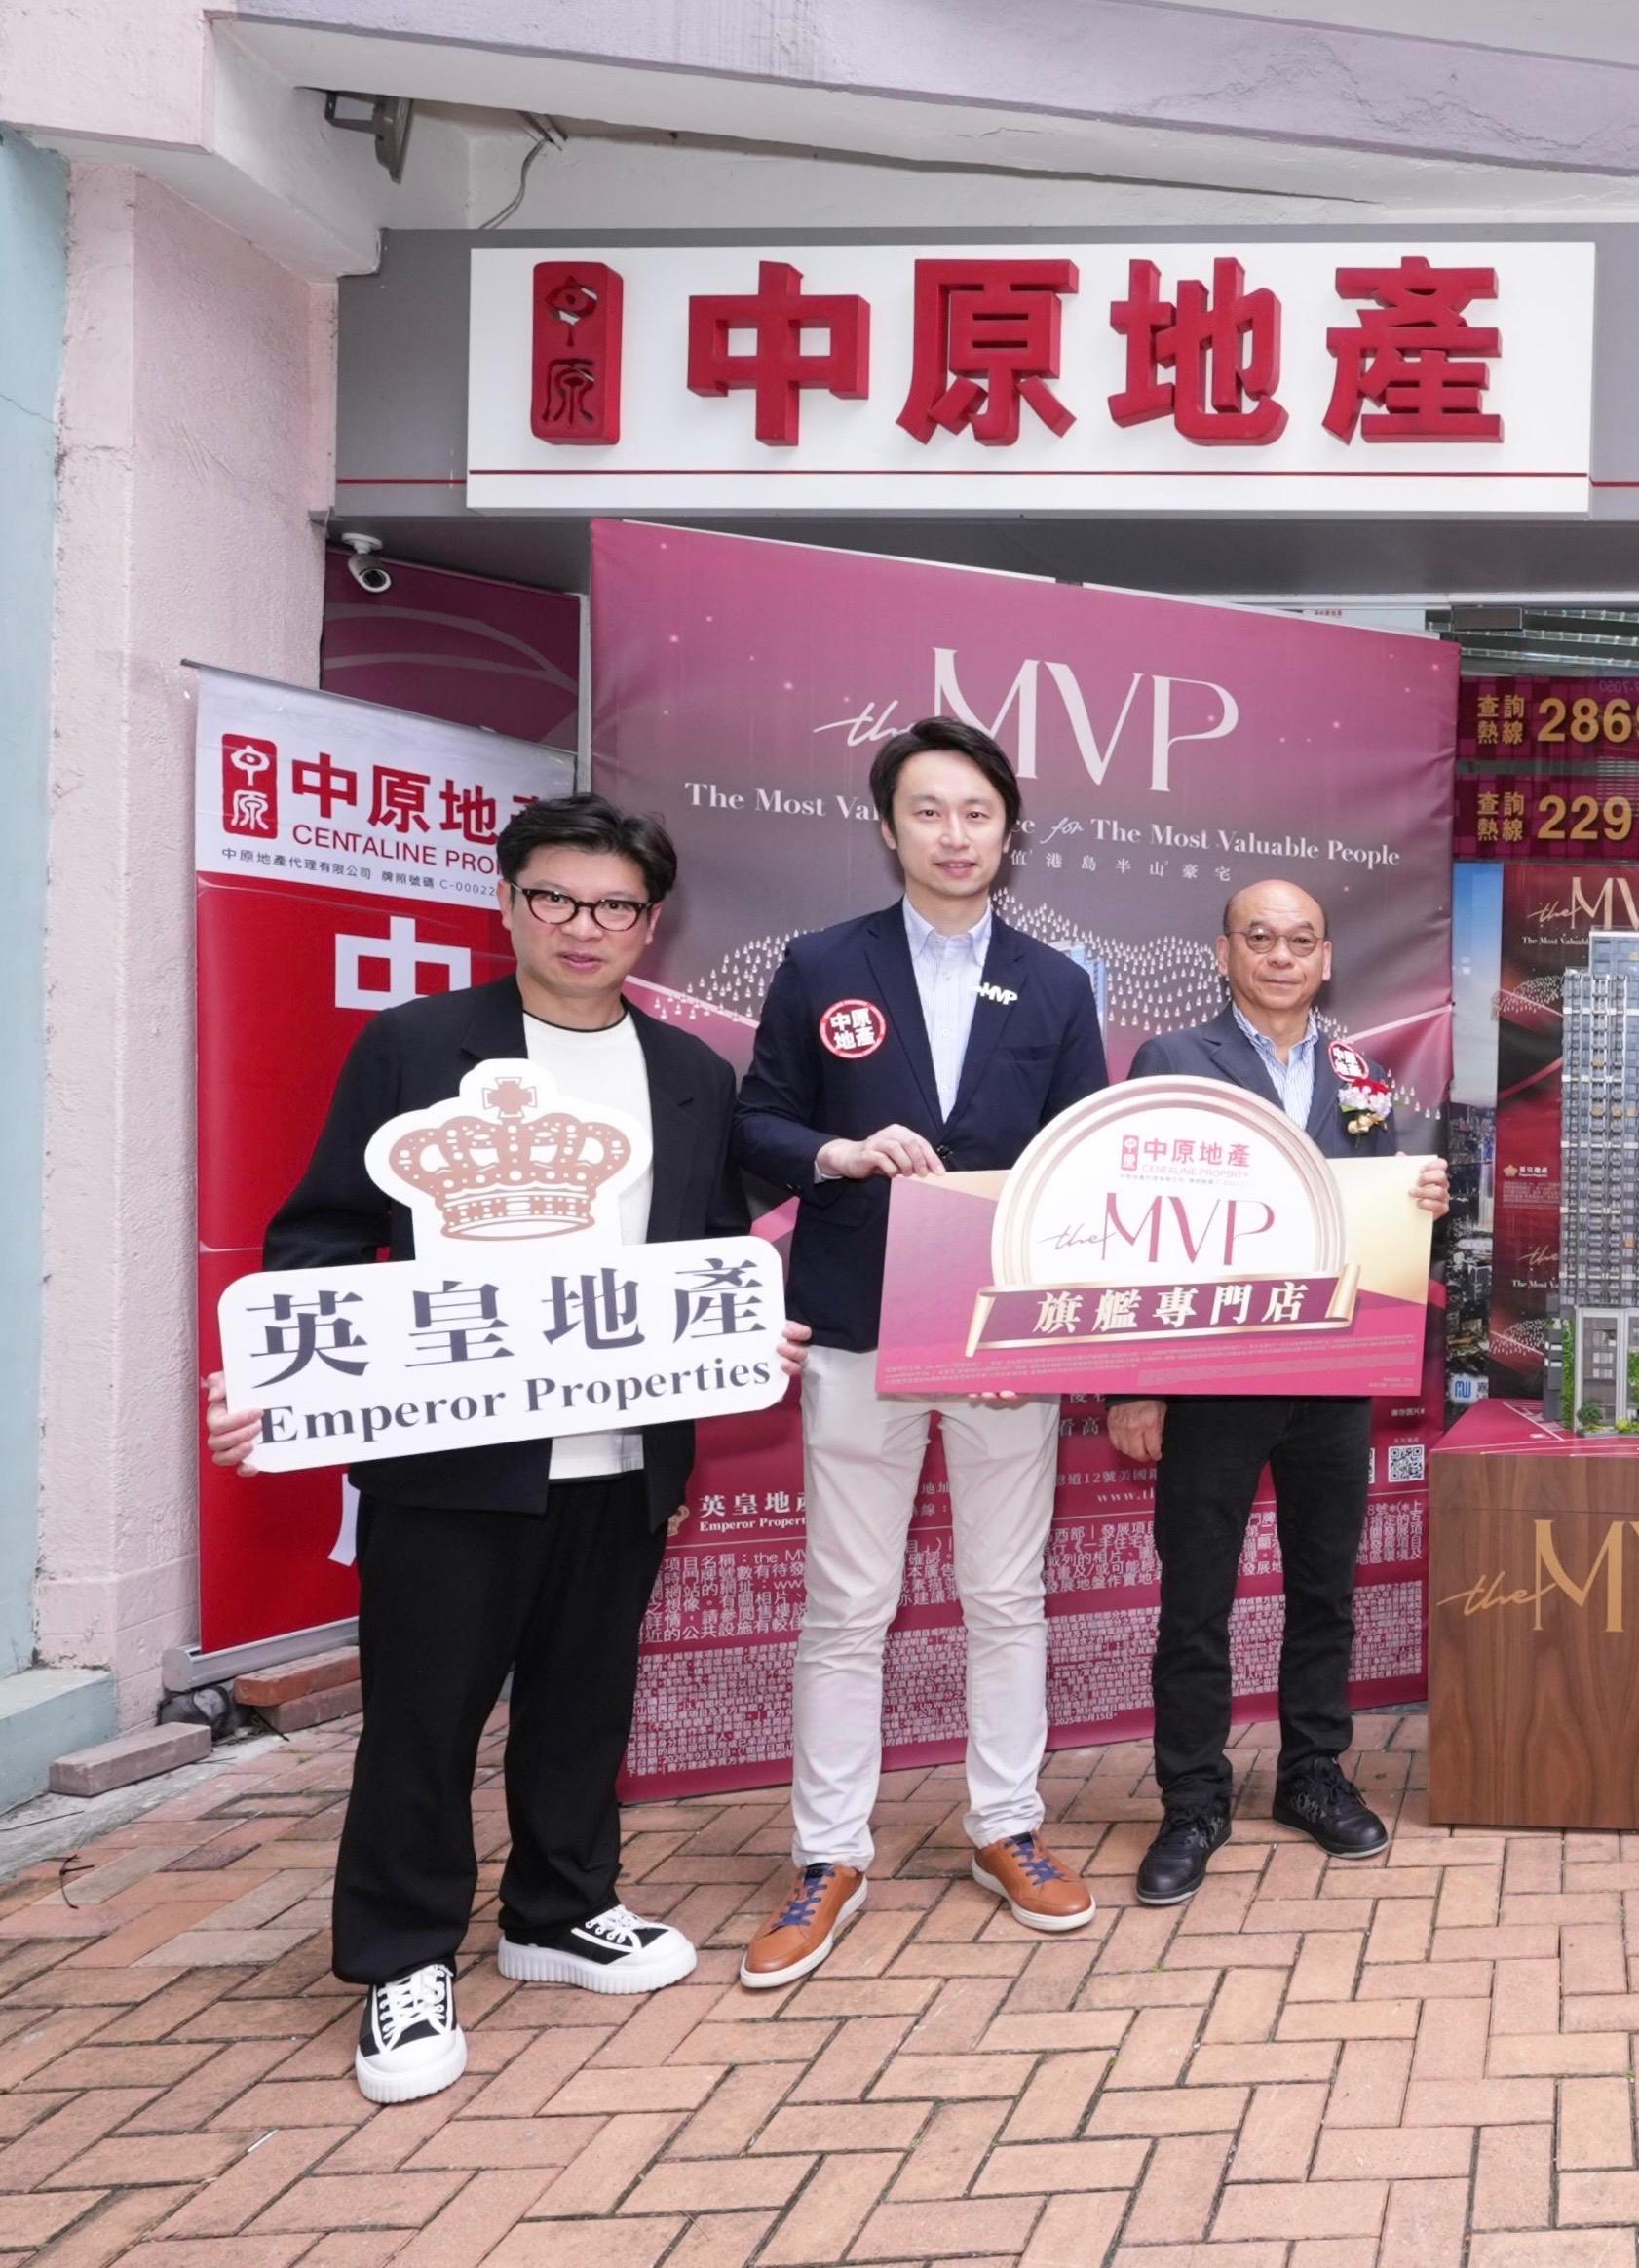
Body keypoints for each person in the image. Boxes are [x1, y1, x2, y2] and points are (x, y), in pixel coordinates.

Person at [203, 794, 802, 2105]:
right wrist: (274, 1379)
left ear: (652, 921)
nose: (584, 926)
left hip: (623, 1453)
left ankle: (559, 1907)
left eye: (615, 905)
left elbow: (707, 1251)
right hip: (452, 1459)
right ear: (508, 901)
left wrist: (746, 1331)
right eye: (555, 897)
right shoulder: (417, 1044)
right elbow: (322, 1238)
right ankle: (404, 1957)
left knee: (584, 1698)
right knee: (423, 1716)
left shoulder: (689, 1073)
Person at [733, 718, 1112, 1987]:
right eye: (929, 811)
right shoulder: (819, 962)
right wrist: (834, 1153)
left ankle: (1005, 1823)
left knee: (1006, 1593)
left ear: (1010, 832)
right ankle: (828, 1853)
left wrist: (1036, 1324)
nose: (955, 835)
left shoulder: (1056, 982)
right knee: (848, 1601)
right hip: (855, 1318)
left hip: (1000, 1333)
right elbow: (757, 1121)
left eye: (977, 813)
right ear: (888, 827)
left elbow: (1076, 1165)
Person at [1108, 880, 1451, 1906]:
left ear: (1327, 958)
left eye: (1301, 940)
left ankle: (1312, 1772)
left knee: (1324, 1588)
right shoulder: (1172, 1060)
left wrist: (1420, 1202)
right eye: (1259, 937)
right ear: (1225, 952)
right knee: (1196, 1600)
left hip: (1331, 1374)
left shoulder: (1362, 1075)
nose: (1281, 955)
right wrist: (1131, 1385)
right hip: (1208, 1379)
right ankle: (1192, 1799)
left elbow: (1378, 1218)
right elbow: (1128, 1220)